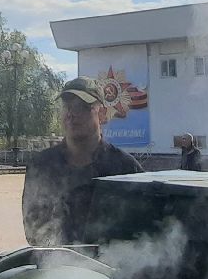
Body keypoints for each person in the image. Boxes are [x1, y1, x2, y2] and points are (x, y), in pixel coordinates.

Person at [23, 78, 145, 246]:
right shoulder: (41, 166)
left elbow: (141, 232)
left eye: (81, 107)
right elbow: (33, 228)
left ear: (101, 114)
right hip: (53, 267)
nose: (71, 114)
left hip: (108, 269)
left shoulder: (126, 169)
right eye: (67, 107)